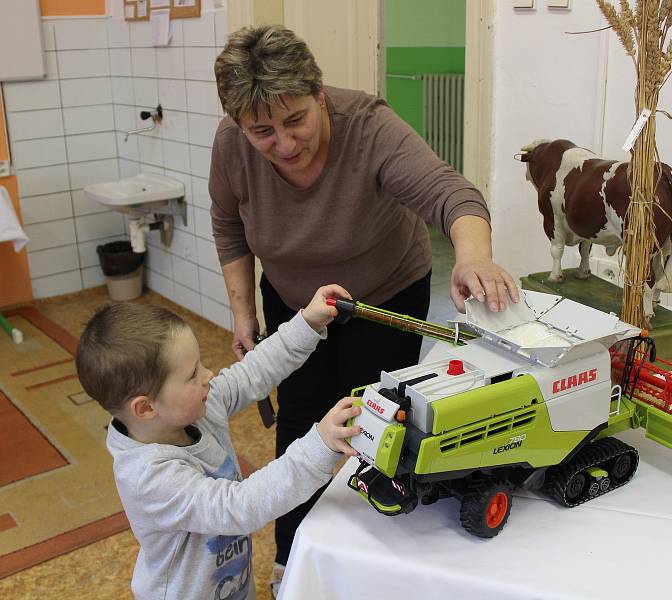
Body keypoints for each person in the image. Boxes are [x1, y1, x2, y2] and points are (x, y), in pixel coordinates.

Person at [210, 25, 520, 591]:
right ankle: (296, 558)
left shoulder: (369, 126)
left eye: (295, 120)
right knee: (302, 423)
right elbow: (229, 225)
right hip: (294, 303)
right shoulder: (232, 146)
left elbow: (451, 193)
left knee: (381, 425)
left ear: (320, 96)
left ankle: (374, 564)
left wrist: (475, 256)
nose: (283, 143)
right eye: (262, 131)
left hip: (384, 296)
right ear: (239, 125)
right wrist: (241, 314)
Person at [74, 285, 360, 600]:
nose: (208, 374)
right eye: (191, 375)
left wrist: (306, 323)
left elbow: (253, 371)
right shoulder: (149, 477)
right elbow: (238, 506)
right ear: (146, 408)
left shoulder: (196, 408)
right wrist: (318, 445)